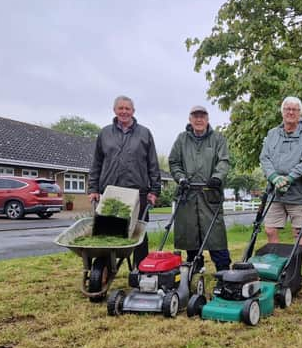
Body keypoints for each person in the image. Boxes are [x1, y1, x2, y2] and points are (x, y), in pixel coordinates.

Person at [88, 95, 161, 267]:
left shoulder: (144, 133)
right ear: (115, 111)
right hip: (111, 191)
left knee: (138, 233)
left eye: (127, 108)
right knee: (107, 231)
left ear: (133, 111)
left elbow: (153, 164)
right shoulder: (105, 133)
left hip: (138, 192)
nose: (124, 112)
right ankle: (104, 268)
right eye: (120, 108)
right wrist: (93, 188)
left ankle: (141, 270)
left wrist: (154, 191)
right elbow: (96, 163)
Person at [169, 105, 231, 272]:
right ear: (190, 119)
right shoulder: (181, 139)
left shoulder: (218, 139)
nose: (199, 119)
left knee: (215, 235)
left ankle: (223, 269)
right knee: (190, 233)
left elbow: (224, 161)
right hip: (188, 194)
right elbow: (174, 162)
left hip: (210, 194)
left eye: (202, 116)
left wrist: (217, 177)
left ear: (207, 119)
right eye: (195, 116)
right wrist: (180, 178)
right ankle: (194, 265)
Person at [259, 96, 302, 246]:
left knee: (298, 231)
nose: (290, 112)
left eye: (294, 109)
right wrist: (274, 177)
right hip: (275, 192)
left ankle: (296, 268)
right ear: (282, 112)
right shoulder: (272, 134)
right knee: (270, 229)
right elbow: (264, 158)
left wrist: (289, 178)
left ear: (300, 113)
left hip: (298, 192)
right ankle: (277, 267)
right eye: (287, 109)